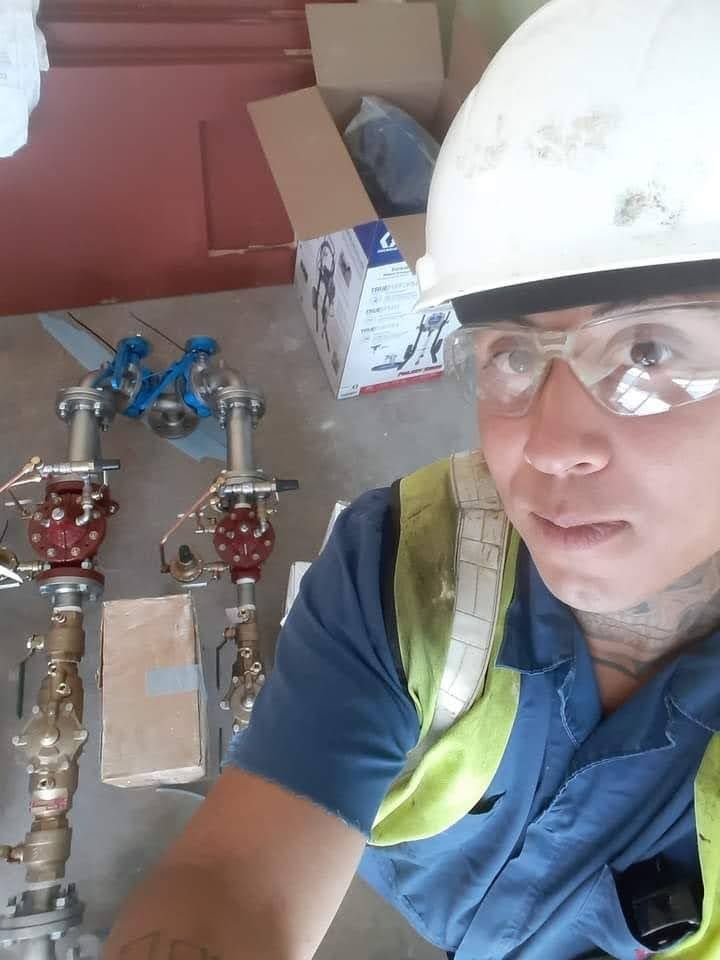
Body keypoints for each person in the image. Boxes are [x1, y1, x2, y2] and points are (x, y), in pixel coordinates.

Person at [105, 1, 720, 958]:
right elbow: (234, 887)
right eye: (513, 355)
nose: (549, 442)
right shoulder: (411, 564)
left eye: (647, 349)